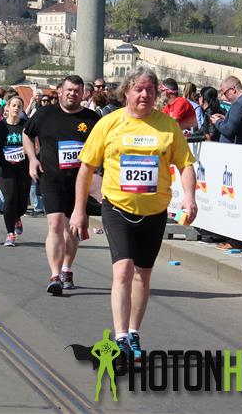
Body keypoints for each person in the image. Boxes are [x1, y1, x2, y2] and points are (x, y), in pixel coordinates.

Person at [69, 66, 197, 360]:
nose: (144, 95)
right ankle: (121, 337)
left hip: (154, 211)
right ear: (126, 91)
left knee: (143, 275)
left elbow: (186, 164)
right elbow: (86, 168)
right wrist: (78, 210)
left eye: (150, 90)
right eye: (138, 89)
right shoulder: (109, 123)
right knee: (123, 270)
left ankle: (134, 332)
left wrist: (190, 198)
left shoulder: (168, 126)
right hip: (117, 208)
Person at [23, 75, 100, 295]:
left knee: (72, 229)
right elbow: (26, 134)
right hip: (52, 179)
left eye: (77, 91)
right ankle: (55, 275)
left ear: (83, 93)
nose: (72, 94)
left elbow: (103, 147)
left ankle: (67, 269)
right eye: (69, 90)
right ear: (60, 92)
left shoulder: (92, 119)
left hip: (79, 183)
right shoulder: (45, 114)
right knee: (55, 225)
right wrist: (32, 159)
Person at [0, 96, 31, 246]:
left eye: (19, 106)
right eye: (13, 105)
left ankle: (17, 216)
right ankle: (10, 234)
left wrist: (30, 151)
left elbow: (36, 145)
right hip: (4, 168)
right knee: (10, 197)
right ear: (7, 107)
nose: (16, 108)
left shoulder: (26, 126)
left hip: (23, 167)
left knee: (22, 204)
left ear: (22, 109)